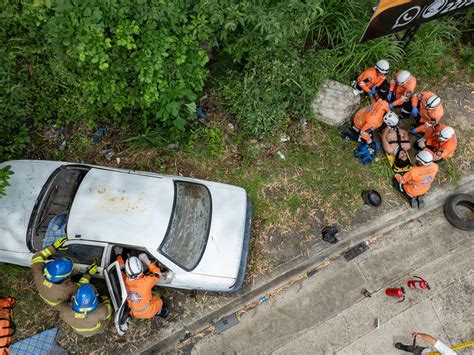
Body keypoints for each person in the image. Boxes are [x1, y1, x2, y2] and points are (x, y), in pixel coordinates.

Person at [31, 237, 97, 308]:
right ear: (65, 277)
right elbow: (81, 287)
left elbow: (37, 256)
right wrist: (88, 274)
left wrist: (53, 247)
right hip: (57, 303)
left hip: (43, 292)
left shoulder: (38, 271)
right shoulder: (66, 290)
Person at [116, 251, 169, 319]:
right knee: (158, 296)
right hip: (148, 312)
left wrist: (118, 254)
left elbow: (120, 267)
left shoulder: (123, 279)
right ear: (141, 270)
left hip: (134, 312)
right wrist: (146, 261)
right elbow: (158, 274)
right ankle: (162, 312)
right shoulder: (146, 282)